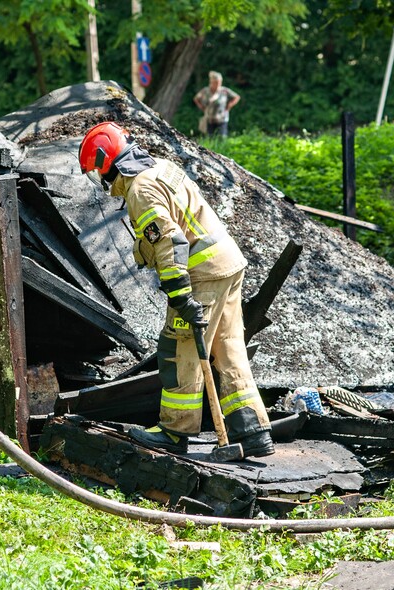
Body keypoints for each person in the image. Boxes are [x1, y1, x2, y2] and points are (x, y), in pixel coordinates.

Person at [78, 122, 274, 457]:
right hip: (227, 263)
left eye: (96, 171)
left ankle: (174, 430)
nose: (100, 180)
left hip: (201, 274)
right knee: (228, 348)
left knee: (178, 349)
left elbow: (169, 241)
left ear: (105, 162)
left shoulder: (139, 189)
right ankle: (253, 430)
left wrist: (180, 294)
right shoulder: (162, 168)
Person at [193, 71, 240, 138]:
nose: (218, 84)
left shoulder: (224, 90)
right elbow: (196, 98)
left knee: (222, 137)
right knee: (210, 138)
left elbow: (236, 97)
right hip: (209, 119)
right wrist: (201, 107)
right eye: (216, 82)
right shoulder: (205, 91)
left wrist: (230, 105)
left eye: (219, 82)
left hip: (222, 119)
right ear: (211, 82)